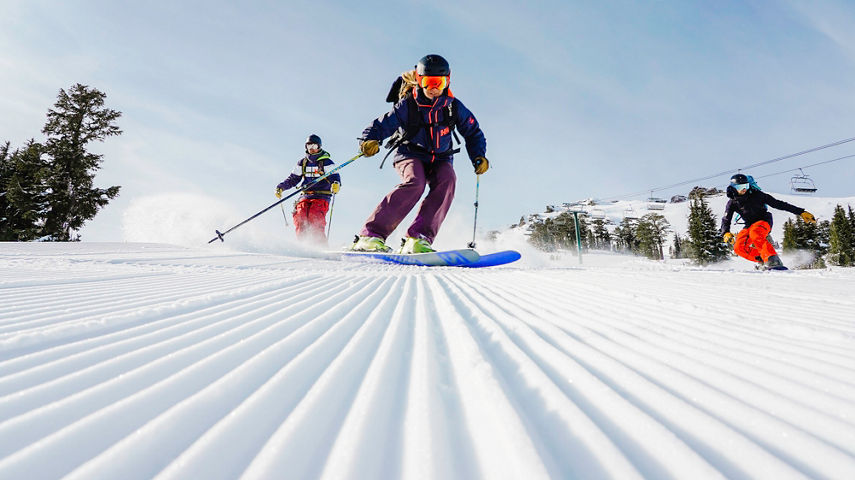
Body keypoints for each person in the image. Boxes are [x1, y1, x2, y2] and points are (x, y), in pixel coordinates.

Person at [350, 54, 488, 253]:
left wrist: (478, 155)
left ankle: (418, 238)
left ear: (447, 81)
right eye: (428, 81)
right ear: (420, 81)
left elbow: (473, 132)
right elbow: (382, 124)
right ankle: (370, 235)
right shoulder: (408, 105)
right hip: (409, 153)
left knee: (448, 179)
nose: (434, 87)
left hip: (440, 157)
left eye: (439, 82)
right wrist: (369, 140)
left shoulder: (453, 107)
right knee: (416, 182)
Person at [720, 173, 816, 269]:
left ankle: (774, 261)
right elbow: (726, 219)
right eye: (740, 187)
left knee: (755, 233)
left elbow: (779, 204)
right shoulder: (732, 203)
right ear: (733, 187)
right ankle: (764, 259)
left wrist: (801, 212)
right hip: (749, 225)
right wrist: (726, 232)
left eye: (746, 186)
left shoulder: (757, 195)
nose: (744, 189)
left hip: (763, 220)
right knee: (739, 247)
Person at [275, 134, 341, 244]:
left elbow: (335, 176)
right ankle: (304, 245)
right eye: (309, 146)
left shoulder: (326, 162)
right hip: (305, 195)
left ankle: (320, 245)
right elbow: (293, 179)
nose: (311, 149)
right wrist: (281, 187)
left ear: (319, 146)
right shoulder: (302, 163)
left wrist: (336, 184)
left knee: (314, 217)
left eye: (314, 146)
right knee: (300, 216)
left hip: (321, 195)